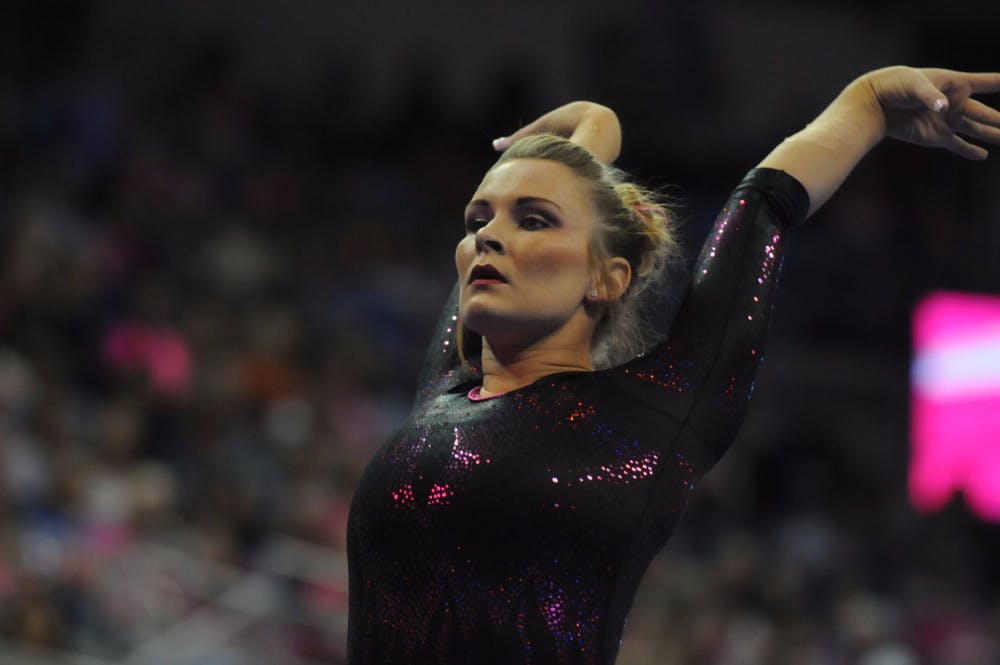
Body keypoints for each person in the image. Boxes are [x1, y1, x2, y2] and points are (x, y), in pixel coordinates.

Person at [346, 66, 1000, 664]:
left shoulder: (656, 411)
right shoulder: (446, 393)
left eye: (535, 220)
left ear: (606, 277)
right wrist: (595, 132)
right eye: (477, 219)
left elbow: (764, 204)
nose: (486, 235)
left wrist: (869, 103)